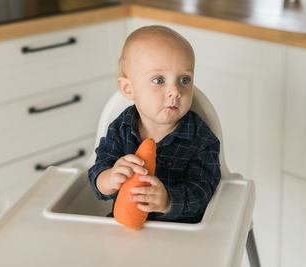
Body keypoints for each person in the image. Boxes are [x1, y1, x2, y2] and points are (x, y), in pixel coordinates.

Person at [88, 25, 221, 223]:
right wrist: (109, 178)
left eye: (184, 79)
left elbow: (204, 190)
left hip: (180, 232)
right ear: (128, 88)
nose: (175, 91)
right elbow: (98, 170)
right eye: (159, 80)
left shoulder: (201, 137)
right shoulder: (121, 128)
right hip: (125, 224)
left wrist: (168, 201)